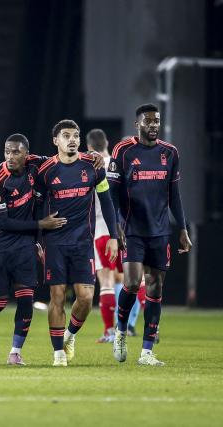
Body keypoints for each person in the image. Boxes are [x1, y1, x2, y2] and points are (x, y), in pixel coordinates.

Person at [0, 134, 66, 366]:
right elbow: (3, 222)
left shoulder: (36, 164)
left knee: (25, 299)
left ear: (26, 154)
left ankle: (15, 352)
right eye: (7, 152)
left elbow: (61, 158)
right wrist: (41, 225)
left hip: (24, 245)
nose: (10, 157)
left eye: (15, 152)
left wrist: (92, 157)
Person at [108, 104, 192, 366]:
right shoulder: (122, 151)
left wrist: (182, 228)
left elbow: (174, 195)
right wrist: (115, 226)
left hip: (159, 231)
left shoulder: (170, 153)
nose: (154, 125)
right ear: (138, 125)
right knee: (132, 283)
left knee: (155, 287)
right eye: (148, 121)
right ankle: (121, 331)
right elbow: (111, 193)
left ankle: (146, 351)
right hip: (132, 229)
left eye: (157, 121)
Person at [36, 119, 119, 367]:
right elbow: (37, 205)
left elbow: (106, 202)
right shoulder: (46, 170)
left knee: (85, 297)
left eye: (75, 135)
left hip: (83, 242)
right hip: (55, 244)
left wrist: (114, 236)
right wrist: (38, 235)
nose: (72, 140)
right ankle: (57, 354)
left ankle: (69, 336)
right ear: (56, 141)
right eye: (66, 135)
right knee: (57, 296)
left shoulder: (93, 167)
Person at [85, 129, 123, 343]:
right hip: (122, 231)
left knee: (106, 281)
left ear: (89, 147)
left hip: (100, 230)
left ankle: (109, 331)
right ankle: (150, 329)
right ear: (107, 142)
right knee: (136, 279)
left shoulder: (91, 168)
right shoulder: (118, 165)